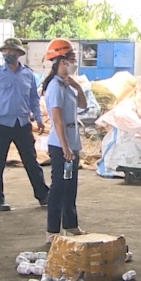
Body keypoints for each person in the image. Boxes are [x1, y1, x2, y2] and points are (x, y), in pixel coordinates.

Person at [0, 37, 49, 211]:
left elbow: (34, 98)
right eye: (6, 51)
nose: (8, 54)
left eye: (12, 51)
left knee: (31, 161)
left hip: (22, 124)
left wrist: (39, 118)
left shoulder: (28, 74)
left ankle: (43, 195)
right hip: (1, 124)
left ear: (19, 53)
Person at [40, 39, 87, 244]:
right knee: (58, 186)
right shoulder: (54, 87)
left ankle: (71, 224)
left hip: (71, 144)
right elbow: (56, 119)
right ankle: (52, 230)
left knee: (71, 186)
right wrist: (66, 147)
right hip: (61, 146)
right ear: (61, 60)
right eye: (72, 59)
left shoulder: (67, 85)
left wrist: (77, 86)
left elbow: (83, 104)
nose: (74, 63)